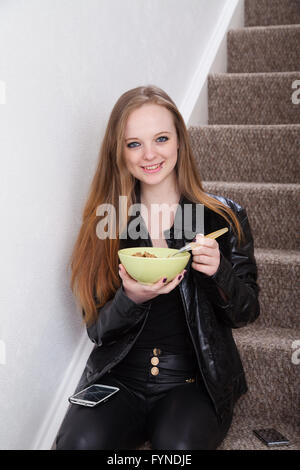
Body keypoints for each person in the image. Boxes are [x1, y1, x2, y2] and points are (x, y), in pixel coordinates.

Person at [55, 85, 260, 450]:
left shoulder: (223, 217)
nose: (149, 154)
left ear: (179, 141)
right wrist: (130, 299)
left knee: (176, 451)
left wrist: (218, 272)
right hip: (121, 381)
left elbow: (246, 312)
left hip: (191, 383)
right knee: (77, 444)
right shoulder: (108, 221)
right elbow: (97, 331)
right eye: (134, 144)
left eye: (161, 138)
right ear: (119, 152)